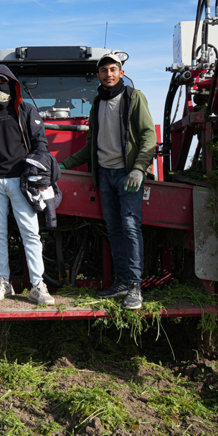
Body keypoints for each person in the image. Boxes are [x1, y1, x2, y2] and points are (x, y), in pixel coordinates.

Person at [60, 54, 157, 309]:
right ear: (98, 76)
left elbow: (149, 136)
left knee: (130, 226)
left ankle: (135, 286)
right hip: (104, 174)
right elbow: (92, 145)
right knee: (114, 228)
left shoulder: (134, 98)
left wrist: (139, 169)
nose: (108, 74)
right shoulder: (96, 104)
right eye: (104, 71)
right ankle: (122, 282)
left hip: (128, 176)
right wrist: (63, 165)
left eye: (113, 70)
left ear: (121, 73)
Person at [0, 64, 54, 306]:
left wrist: (37, 174)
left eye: (4, 83)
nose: (0, 88)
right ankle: (3, 283)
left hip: (22, 181)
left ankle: (38, 285)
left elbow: (41, 145)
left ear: (13, 84)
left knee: (31, 233)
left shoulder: (26, 110)